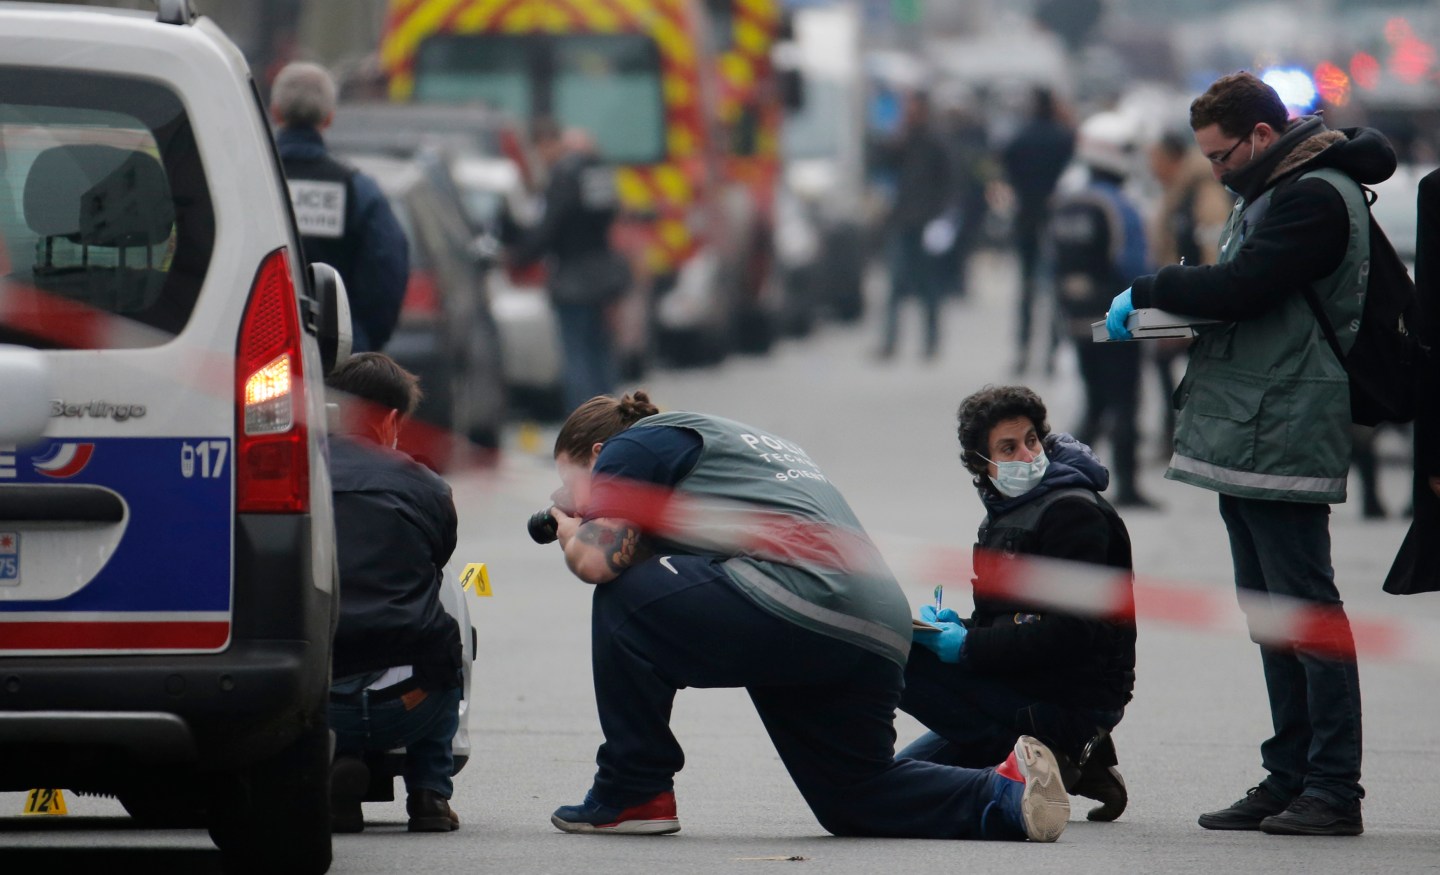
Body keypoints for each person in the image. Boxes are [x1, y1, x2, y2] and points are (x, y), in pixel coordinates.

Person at [539, 391, 1074, 842]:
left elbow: (596, 560)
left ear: (599, 452)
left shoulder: (635, 444)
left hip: (802, 595)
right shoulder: (725, 447)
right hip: (871, 619)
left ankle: (634, 791)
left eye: (573, 485)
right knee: (855, 796)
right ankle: (1006, 791)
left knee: (623, 599)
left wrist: (569, 527)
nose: (576, 501)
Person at [1106, 70, 1396, 836]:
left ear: (1263, 136)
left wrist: (1153, 286)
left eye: (1222, 154)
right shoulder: (1278, 189)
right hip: (1258, 421)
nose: (1215, 170)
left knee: (1305, 608)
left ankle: (1332, 786)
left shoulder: (1309, 197)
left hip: (1289, 421)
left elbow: (1244, 286)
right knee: (1270, 609)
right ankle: (1288, 774)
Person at [897, 385, 1136, 823]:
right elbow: (1007, 621)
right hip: (1022, 683)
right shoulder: (1004, 512)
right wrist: (960, 628)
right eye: (1008, 448)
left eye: (1031, 440)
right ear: (981, 464)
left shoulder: (1072, 513)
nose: (1027, 456)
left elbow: (1073, 633)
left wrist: (967, 647)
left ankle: (1061, 752)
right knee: (903, 779)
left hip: (1071, 695)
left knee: (902, 658)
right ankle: (1077, 764)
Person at [325, 352, 463, 833]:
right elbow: (440, 560)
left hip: (315, 709)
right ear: (389, 418)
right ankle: (429, 793)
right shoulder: (426, 486)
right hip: (408, 706)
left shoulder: (291, 478)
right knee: (442, 629)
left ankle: (336, 770)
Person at [1050, 111, 1155, 508]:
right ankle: (1126, 487)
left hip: (1078, 320)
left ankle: (1067, 480)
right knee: (1125, 402)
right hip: (1119, 322)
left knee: (1094, 402)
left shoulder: (1067, 203)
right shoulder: (1120, 206)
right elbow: (1135, 269)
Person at [270, 62, 408, 353]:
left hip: (257, 350)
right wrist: (364, 338)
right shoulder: (359, 190)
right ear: (329, 118)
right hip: (338, 354)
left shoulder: (250, 179)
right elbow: (387, 271)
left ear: (275, 112)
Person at [509, 119, 628, 414]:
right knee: (599, 350)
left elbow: (549, 227)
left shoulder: (564, 175)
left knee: (576, 354)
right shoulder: (598, 172)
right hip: (602, 275)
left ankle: (586, 422)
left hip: (573, 278)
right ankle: (612, 418)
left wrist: (519, 255)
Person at [1146, 129, 1234, 462]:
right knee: (1167, 364)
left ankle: (1194, 438)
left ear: (1173, 158)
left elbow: (1213, 249)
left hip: (1197, 302)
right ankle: (1177, 436)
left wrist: (1204, 309)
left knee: (1197, 370)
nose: (1152, 167)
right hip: (1178, 300)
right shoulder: (1176, 190)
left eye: (1155, 159)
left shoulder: (1203, 191)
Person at [873, 90, 953, 361]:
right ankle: (890, 341)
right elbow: (882, 163)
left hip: (927, 223)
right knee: (895, 285)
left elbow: (950, 182)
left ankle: (931, 342)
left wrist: (942, 217)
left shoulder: (936, 142)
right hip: (902, 220)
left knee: (928, 286)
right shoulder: (903, 140)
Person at [1002, 86, 1075, 375]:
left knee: (1027, 288)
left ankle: (1023, 350)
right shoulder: (1064, 137)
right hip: (1058, 217)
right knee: (1057, 288)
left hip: (1026, 217)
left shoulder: (1019, 138)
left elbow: (1006, 167)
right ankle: (1053, 353)